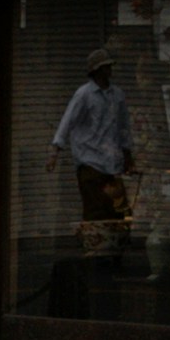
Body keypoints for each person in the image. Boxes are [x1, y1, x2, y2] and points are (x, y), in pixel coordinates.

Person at [52, 49, 136, 244]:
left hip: (112, 164)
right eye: (105, 67)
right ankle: (95, 253)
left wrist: (128, 156)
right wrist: (55, 150)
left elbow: (124, 128)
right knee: (95, 212)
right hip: (90, 164)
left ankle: (115, 252)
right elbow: (67, 122)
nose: (109, 70)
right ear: (97, 70)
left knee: (118, 211)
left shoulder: (118, 95)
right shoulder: (84, 95)